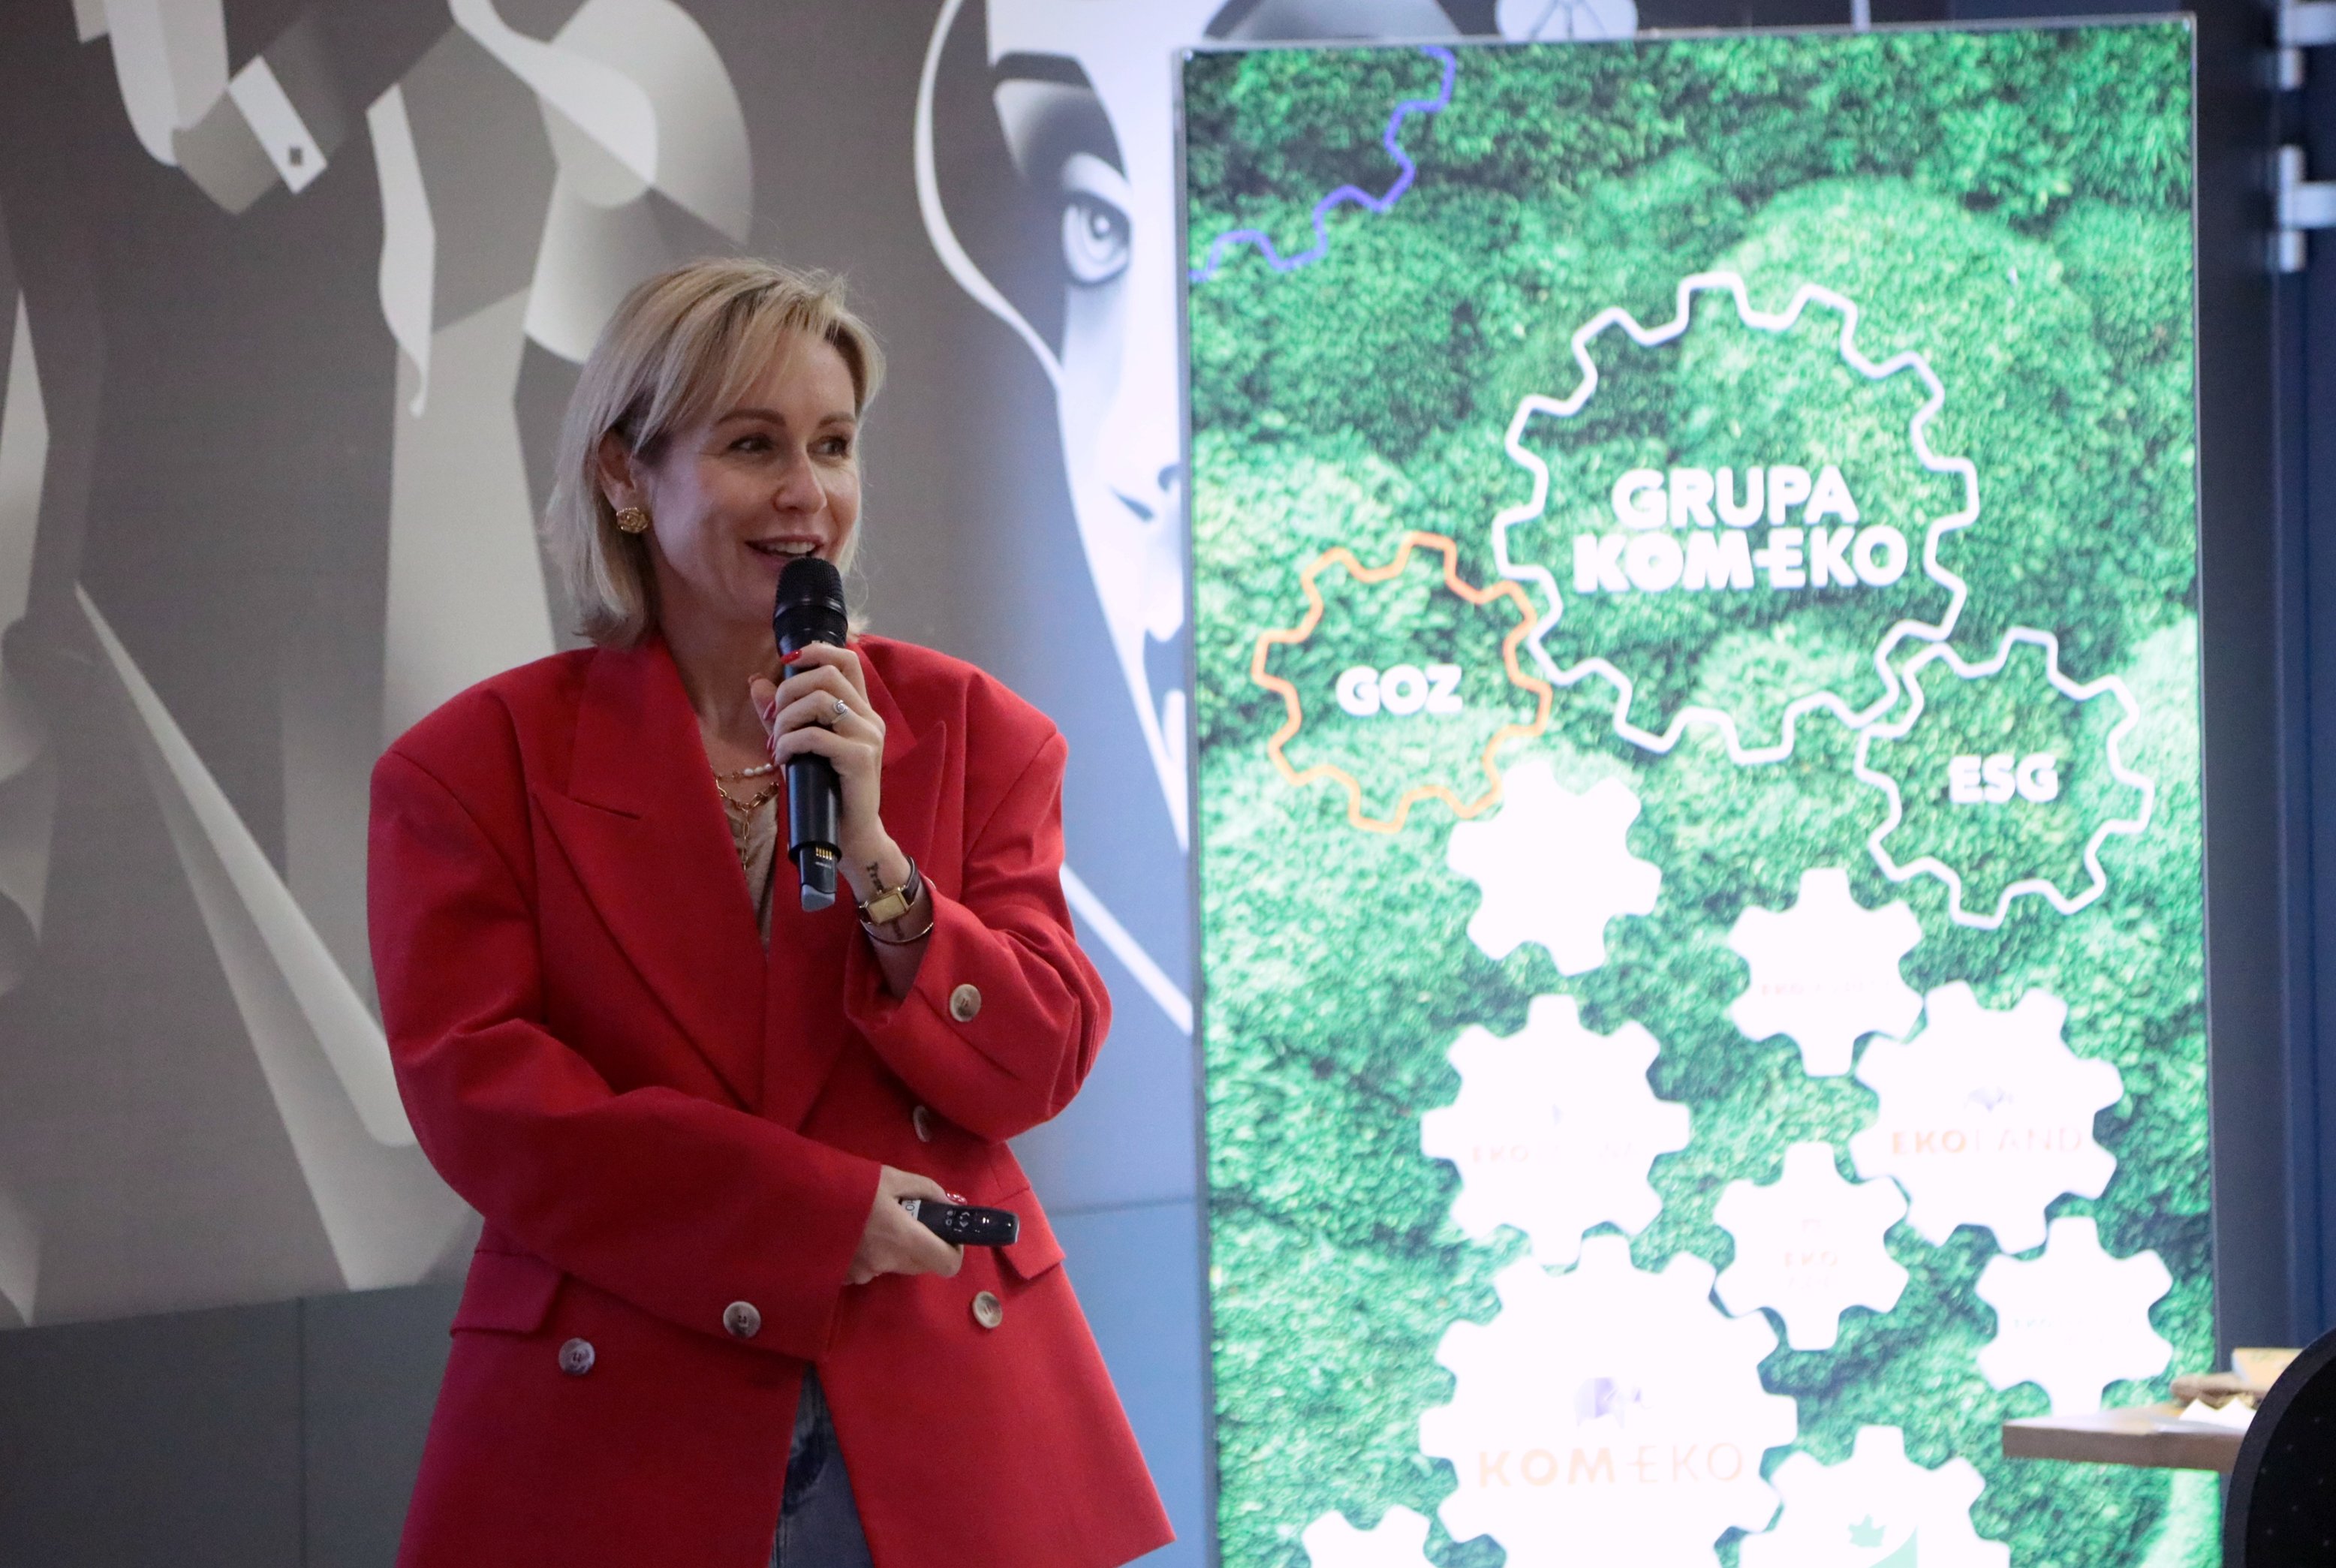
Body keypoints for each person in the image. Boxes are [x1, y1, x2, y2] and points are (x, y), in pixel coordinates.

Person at [366, 257, 1172, 1568]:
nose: (809, 493)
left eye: (834, 445)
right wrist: (809, 1218)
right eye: (754, 445)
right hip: (622, 1418)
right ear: (626, 477)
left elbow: (1041, 1062)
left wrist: (883, 871)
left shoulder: (976, 732)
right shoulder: (472, 767)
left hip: (940, 1415)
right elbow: (488, 1099)